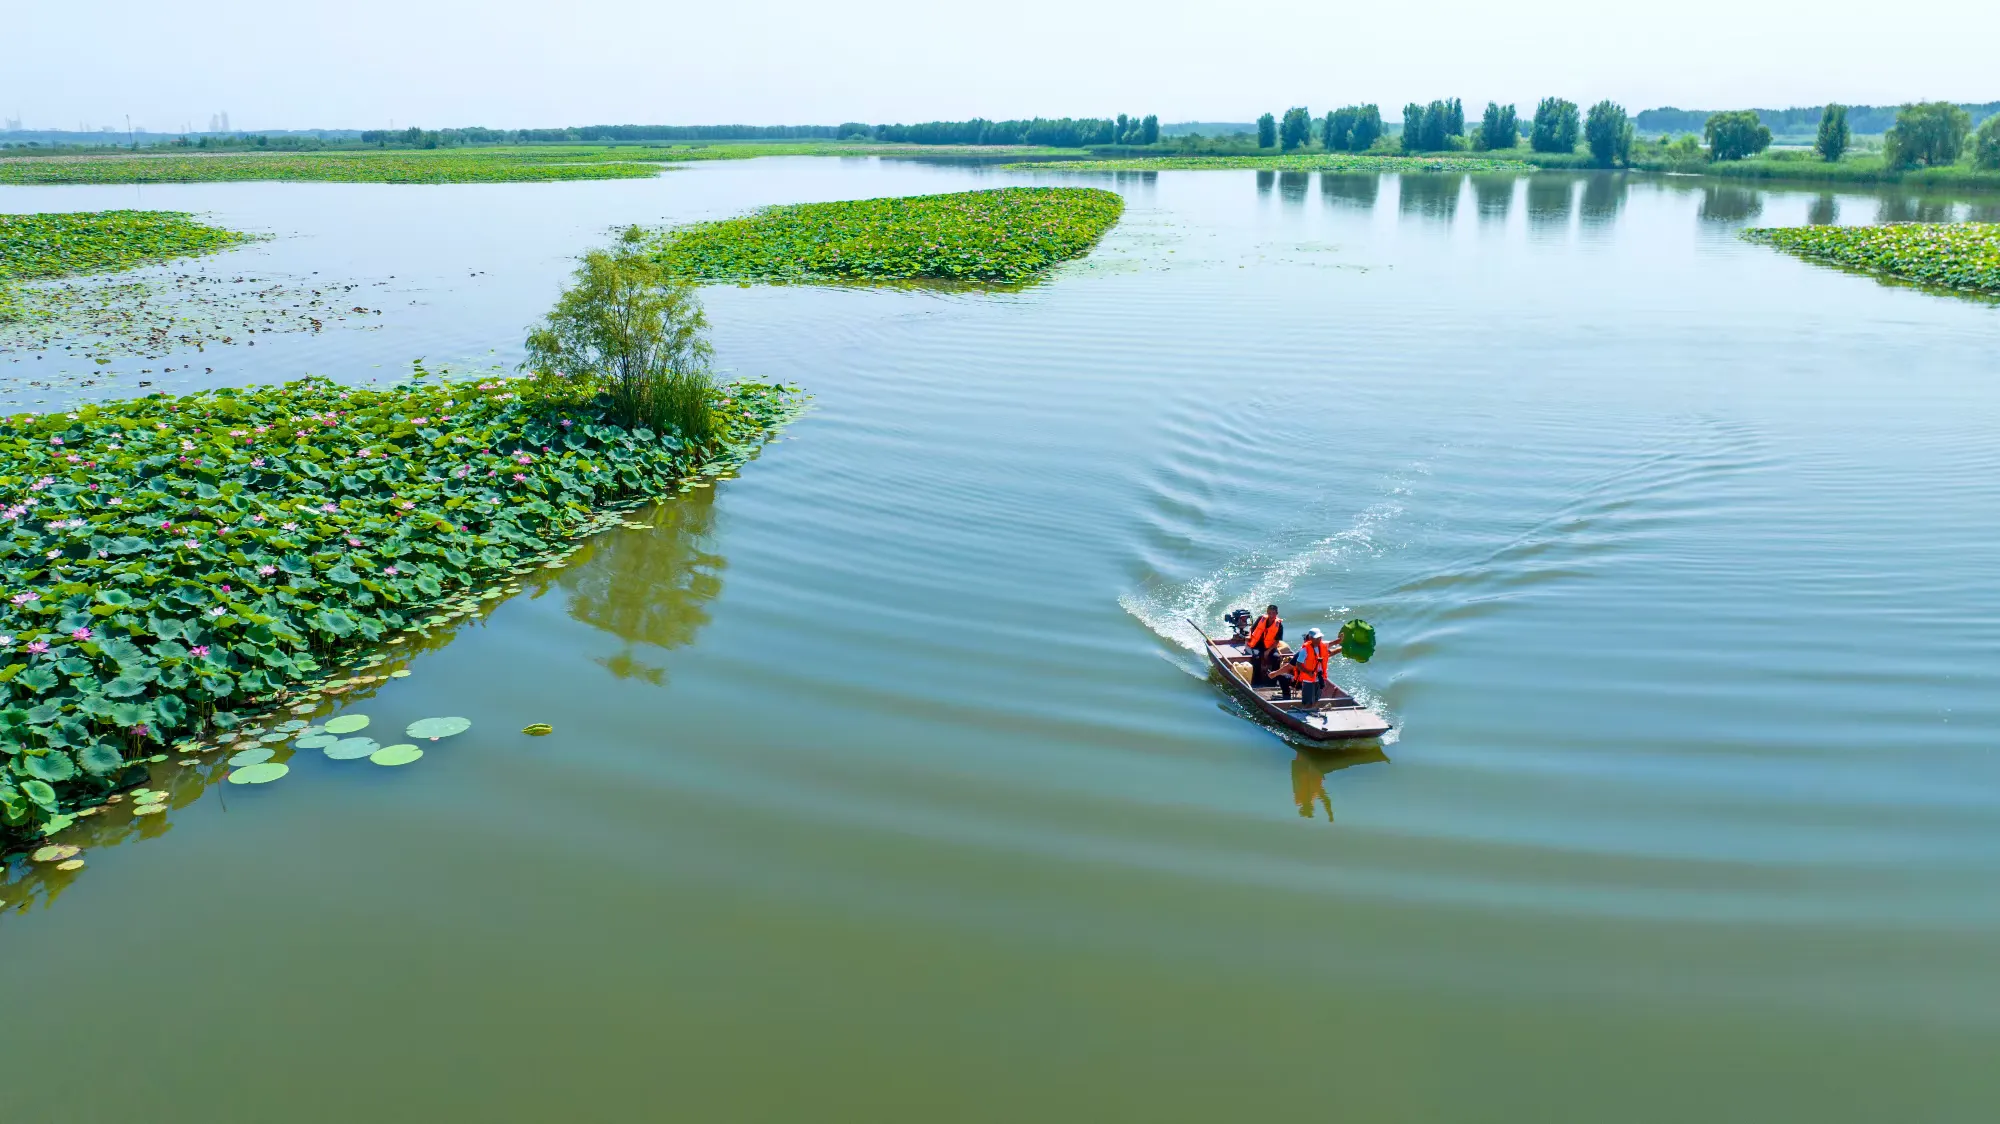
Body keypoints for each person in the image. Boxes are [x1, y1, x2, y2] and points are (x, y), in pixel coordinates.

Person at [1293, 627, 1340, 707]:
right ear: (1311, 638)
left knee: (1317, 697)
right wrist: (1308, 672)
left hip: (1319, 676)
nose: (1319, 640)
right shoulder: (1304, 650)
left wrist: (1342, 639)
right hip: (1309, 678)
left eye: (1320, 638)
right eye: (1317, 638)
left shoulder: (1323, 644)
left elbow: (1335, 642)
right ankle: (1307, 709)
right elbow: (1298, 664)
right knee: (1308, 700)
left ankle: (1314, 709)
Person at [1244, 604, 1283, 686]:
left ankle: (1273, 681)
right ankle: (1256, 680)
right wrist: (1248, 638)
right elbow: (1252, 629)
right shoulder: (1261, 619)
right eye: (1269, 613)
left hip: (1270, 647)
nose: (1271, 615)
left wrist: (1268, 652)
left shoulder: (1279, 625)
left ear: (1277, 613)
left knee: (1277, 658)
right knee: (1256, 656)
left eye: (1273, 613)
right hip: (1257, 645)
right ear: (1267, 613)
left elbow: (1276, 642)